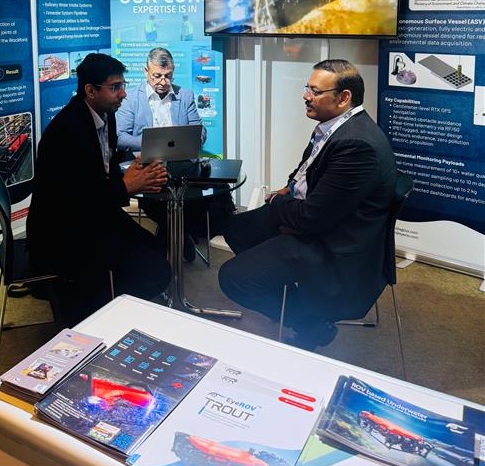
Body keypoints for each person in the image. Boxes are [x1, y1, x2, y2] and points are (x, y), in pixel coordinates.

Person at [219, 59, 397, 351]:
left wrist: (278, 201)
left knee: (232, 279)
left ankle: (310, 323)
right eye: (307, 88)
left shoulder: (356, 145)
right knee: (237, 228)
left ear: (344, 98)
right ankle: (291, 293)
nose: (306, 96)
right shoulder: (336, 127)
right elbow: (306, 170)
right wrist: (289, 188)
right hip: (319, 219)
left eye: (315, 91)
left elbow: (310, 220)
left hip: (333, 247)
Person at [27, 53, 171, 327]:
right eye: (115, 87)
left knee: (156, 247)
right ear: (90, 91)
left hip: (94, 217)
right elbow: (74, 202)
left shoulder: (106, 115)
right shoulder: (67, 132)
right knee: (155, 272)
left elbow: (105, 168)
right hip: (65, 232)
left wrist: (134, 175)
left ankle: (108, 300)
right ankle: (98, 317)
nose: (123, 94)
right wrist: (126, 186)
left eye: (123, 86)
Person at [116, 47, 234, 261]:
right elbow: (120, 136)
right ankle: (177, 235)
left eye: (168, 76)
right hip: (148, 165)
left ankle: (173, 235)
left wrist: (193, 139)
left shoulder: (185, 95)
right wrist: (151, 145)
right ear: (145, 71)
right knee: (161, 197)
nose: (163, 81)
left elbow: (200, 131)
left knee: (211, 189)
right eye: (157, 76)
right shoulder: (131, 98)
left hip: (183, 163)